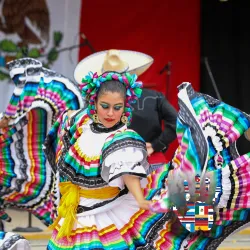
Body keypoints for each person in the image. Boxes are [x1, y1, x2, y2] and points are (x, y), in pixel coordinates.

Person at [75, 49, 178, 171]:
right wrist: (156, 144)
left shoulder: (96, 102)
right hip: (148, 162)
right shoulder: (154, 97)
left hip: (111, 167)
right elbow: (177, 122)